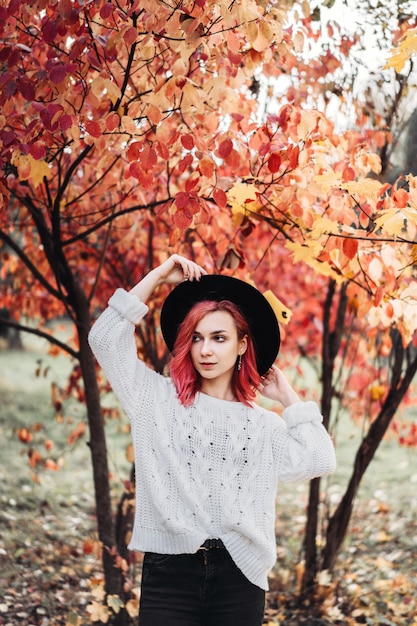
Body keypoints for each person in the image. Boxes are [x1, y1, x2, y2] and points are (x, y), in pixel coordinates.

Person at [88, 253, 336, 626]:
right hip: (170, 573)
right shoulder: (154, 400)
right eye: (197, 338)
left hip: (241, 575)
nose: (205, 350)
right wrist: (156, 277)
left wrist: (288, 399)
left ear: (241, 345)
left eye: (219, 338)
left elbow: (319, 458)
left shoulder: (262, 426)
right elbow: (104, 339)